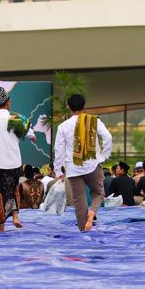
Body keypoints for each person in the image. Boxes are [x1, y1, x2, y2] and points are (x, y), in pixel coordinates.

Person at [0, 86, 37, 231]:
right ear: (8, 102)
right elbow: (30, 133)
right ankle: (15, 217)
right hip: (14, 162)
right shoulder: (17, 119)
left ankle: (1, 228)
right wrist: (32, 137)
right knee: (14, 190)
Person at [53, 93, 113, 232]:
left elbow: (59, 149)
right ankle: (92, 213)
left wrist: (58, 170)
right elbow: (108, 137)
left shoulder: (63, 126)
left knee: (79, 201)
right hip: (92, 165)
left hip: (73, 168)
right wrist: (103, 156)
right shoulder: (94, 121)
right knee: (98, 193)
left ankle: (83, 231)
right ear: (84, 106)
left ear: (69, 107)